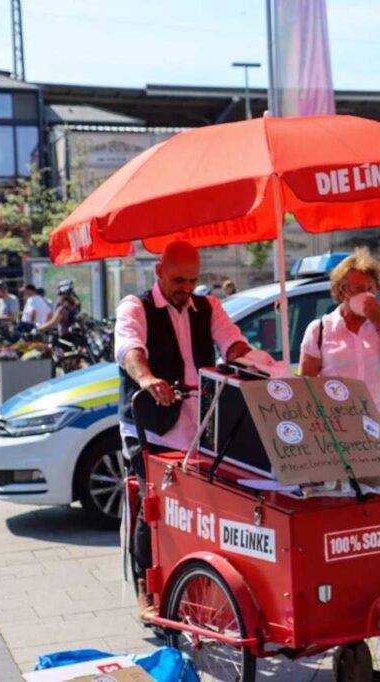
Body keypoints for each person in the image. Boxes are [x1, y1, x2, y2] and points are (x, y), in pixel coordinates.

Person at [115, 240, 269, 620]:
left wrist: (248, 359)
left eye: (192, 280)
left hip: (198, 426)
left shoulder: (208, 307)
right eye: (179, 280)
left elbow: (232, 341)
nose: (186, 288)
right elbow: (130, 351)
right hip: (151, 428)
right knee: (154, 508)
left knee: (201, 507)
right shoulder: (136, 307)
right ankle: (146, 589)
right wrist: (148, 379)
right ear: (159, 273)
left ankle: (197, 582)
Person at [300, 248, 380, 457]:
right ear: (342, 291)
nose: (367, 295)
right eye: (359, 288)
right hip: (340, 436)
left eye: (371, 288)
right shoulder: (320, 330)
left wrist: (379, 323)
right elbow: (306, 385)